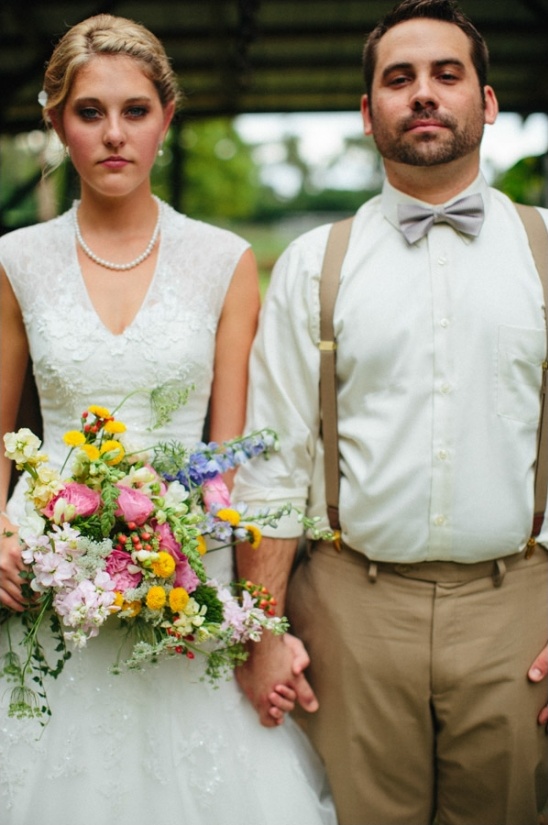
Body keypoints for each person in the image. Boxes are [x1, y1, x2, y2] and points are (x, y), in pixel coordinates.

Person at [0, 14, 337, 825]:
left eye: (136, 110)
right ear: (56, 123)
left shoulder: (224, 259)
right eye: (89, 112)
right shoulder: (14, 259)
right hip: (40, 576)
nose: (114, 134)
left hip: (186, 574)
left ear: (167, 117)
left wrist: (250, 619)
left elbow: (230, 457)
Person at [233, 1, 548, 823]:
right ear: (368, 113)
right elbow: (272, 463)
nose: (423, 93)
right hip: (351, 613)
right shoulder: (313, 264)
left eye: (448, 74)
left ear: (488, 101)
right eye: (398, 79)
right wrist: (261, 630)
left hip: (517, 608)